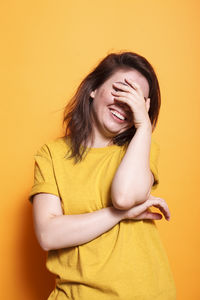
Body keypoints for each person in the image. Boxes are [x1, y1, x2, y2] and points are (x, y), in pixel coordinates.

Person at [28, 51, 176, 299]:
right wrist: (120, 215)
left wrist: (143, 127)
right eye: (120, 90)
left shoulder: (141, 147)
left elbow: (124, 196)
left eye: (137, 100)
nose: (126, 104)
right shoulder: (51, 154)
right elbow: (47, 234)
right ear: (93, 89)